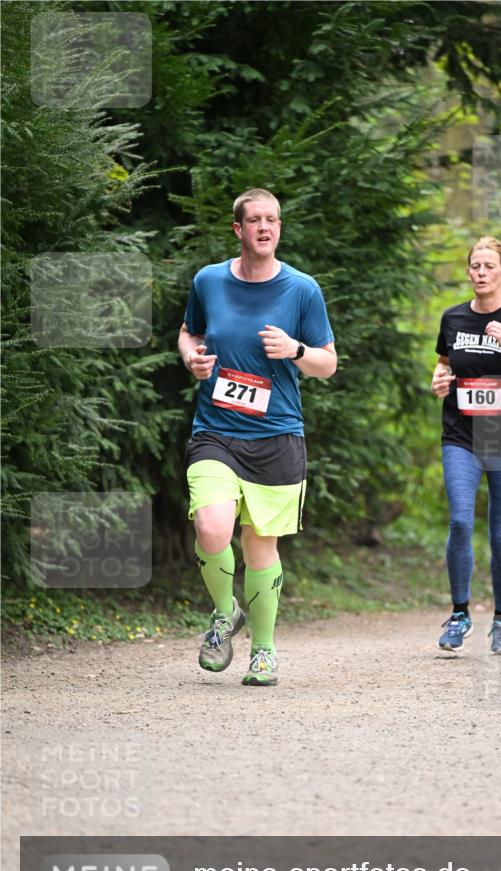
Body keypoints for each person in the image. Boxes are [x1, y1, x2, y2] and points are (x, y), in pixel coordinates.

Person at [178, 188, 336, 687]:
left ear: (279, 229)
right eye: (255, 220)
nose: (265, 227)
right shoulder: (208, 281)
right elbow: (189, 332)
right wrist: (192, 356)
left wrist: (295, 349)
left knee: (259, 547)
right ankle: (226, 614)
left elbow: (327, 364)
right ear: (238, 230)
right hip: (216, 432)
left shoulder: (302, 289)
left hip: (277, 436)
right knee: (211, 528)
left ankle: (263, 651)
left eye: (273, 220)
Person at [431, 237, 501, 655]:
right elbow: (442, 367)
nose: (480, 272)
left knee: (500, 532)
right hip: (460, 436)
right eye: (474, 265)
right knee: (460, 521)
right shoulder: (453, 318)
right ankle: (460, 614)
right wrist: (438, 381)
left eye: (488, 266)